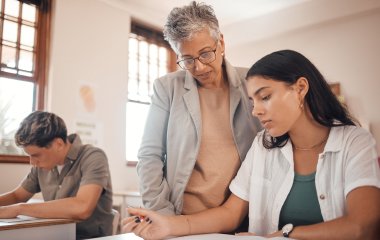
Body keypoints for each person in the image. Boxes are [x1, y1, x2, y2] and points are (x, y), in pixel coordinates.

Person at [122, 50, 380, 239]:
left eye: (265, 96)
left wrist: (284, 235)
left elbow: (362, 227)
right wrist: (169, 225)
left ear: (300, 88)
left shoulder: (355, 142)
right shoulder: (264, 146)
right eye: (252, 100)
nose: (255, 111)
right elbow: (230, 214)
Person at [136, 0, 262, 223]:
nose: (200, 68)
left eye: (205, 54)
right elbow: (150, 156)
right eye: (188, 59)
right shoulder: (166, 89)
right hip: (182, 219)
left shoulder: (252, 81)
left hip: (245, 220)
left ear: (220, 43)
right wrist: (164, 216)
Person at [0, 111, 113, 239]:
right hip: (55, 235)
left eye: (36, 155)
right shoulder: (40, 165)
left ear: (58, 144)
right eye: (29, 156)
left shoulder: (93, 157)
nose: (32, 162)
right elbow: (17, 196)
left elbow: (83, 207)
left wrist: (18, 209)